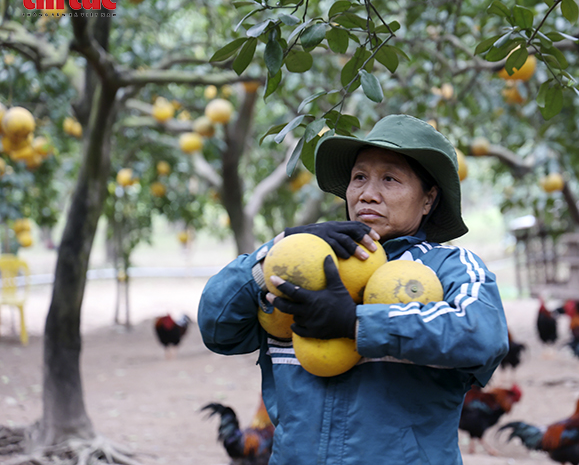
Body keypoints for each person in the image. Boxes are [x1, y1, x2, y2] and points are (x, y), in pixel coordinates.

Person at [198, 114, 509, 465]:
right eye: (359, 177)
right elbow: (217, 328)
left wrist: (356, 322)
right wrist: (280, 248)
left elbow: (482, 334)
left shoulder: (448, 267)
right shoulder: (298, 264)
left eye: (390, 179)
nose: (367, 194)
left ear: (428, 199)